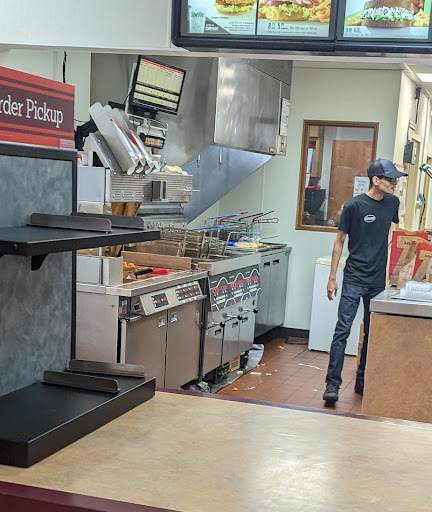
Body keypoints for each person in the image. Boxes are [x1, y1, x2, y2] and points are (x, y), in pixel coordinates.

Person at [322, 158, 407, 405]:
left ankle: (362, 382)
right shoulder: (354, 206)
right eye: (390, 179)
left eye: (395, 180)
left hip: (377, 281)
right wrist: (332, 277)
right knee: (343, 330)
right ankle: (332, 384)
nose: (394, 183)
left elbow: (394, 234)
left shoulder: (392, 203)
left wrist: (396, 273)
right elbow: (339, 241)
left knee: (372, 333)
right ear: (376, 180)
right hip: (353, 278)